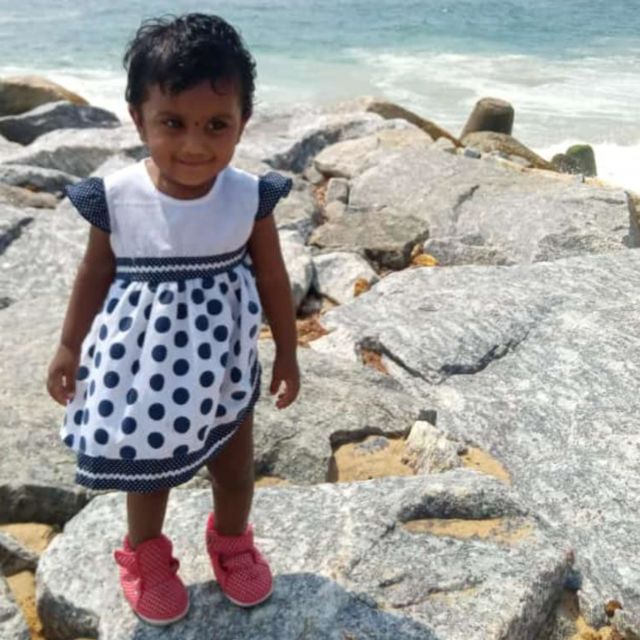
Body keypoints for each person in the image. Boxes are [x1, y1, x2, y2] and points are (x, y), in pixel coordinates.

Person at [46, 13, 300, 626]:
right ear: (138, 118)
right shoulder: (118, 197)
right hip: (144, 368)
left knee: (234, 466)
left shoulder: (247, 197)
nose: (194, 145)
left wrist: (288, 353)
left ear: (243, 120)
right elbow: (93, 275)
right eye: (173, 123)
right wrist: (68, 346)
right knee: (147, 471)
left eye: (217, 125)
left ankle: (232, 543)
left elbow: (273, 278)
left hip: (224, 366)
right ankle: (146, 557)